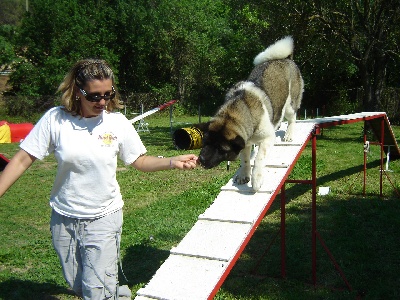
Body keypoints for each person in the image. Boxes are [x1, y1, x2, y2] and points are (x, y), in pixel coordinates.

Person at [0, 59, 198, 299]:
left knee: (96, 291)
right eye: (94, 96)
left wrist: (171, 161)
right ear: (77, 91)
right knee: (78, 285)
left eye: (108, 94)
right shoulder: (56, 120)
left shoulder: (117, 123)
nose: (102, 102)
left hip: (103, 217)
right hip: (64, 218)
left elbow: (139, 161)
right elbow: (21, 160)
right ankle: (116, 291)